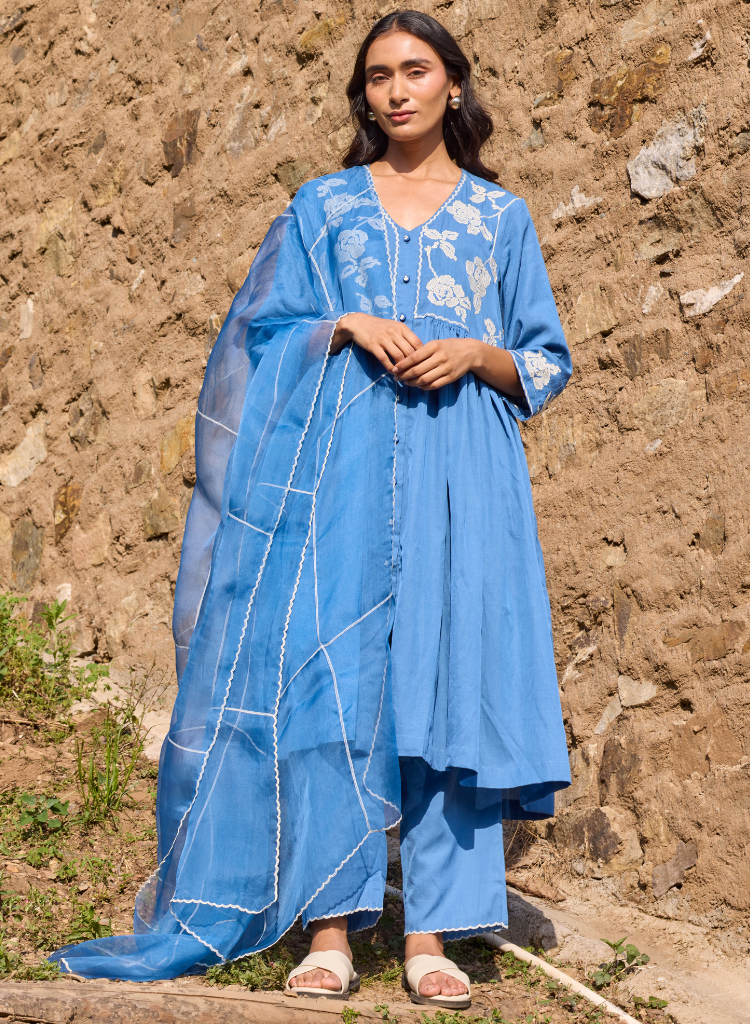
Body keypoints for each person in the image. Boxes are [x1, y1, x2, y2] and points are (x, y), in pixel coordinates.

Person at [50, 10, 571, 1011]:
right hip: (338, 468)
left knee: (446, 685)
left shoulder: (499, 219)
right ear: (364, 96)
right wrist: (344, 322)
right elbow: (261, 332)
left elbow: (545, 361)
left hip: (463, 479)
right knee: (334, 674)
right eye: (378, 76)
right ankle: (330, 926)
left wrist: (475, 352)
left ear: (454, 85)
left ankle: (430, 933)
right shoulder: (323, 207)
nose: (397, 91)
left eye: (416, 70)